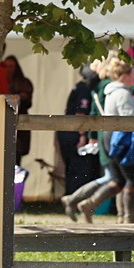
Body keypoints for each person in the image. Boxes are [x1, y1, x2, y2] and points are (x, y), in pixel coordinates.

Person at [64, 54, 134, 222]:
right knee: (124, 179)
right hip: (121, 140)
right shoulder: (114, 89)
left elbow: (95, 113)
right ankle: (124, 216)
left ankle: (101, 209)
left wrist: (92, 136)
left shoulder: (107, 89)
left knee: (118, 179)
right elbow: (130, 119)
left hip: (109, 138)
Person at [58, 65, 101, 195]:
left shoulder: (79, 86)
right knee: (80, 170)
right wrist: (82, 137)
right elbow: (80, 115)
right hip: (75, 133)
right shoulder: (85, 89)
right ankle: (75, 200)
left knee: (73, 170)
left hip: (68, 132)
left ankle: (70, 198)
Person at [0, 56, 34, 165]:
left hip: (19, 124)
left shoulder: (23, 82)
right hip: (1, 123)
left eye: (11, 66)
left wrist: (16, 98)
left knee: (16, 159)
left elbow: (27, 101)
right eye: (6, 66)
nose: (8, 69)